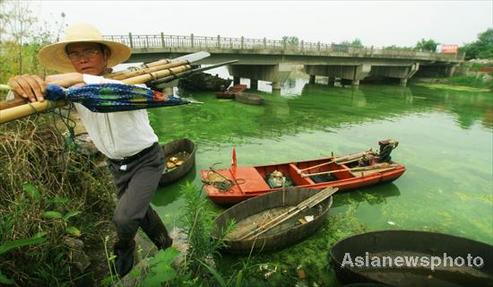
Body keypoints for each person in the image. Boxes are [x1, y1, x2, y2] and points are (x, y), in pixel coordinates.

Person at [7, 23, 173, 277]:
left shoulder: (131, 81)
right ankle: (165, 242)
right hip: (115, 163)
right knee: (140, 209)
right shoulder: (71, 90)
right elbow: (22, 104)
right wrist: (21, 85)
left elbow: (117, 90)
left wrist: (79, 79)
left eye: (90, 52)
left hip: (147, 160)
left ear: (106, 55)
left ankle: (125, 245)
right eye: (74, 53)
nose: (82, 58)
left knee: (124, 218)